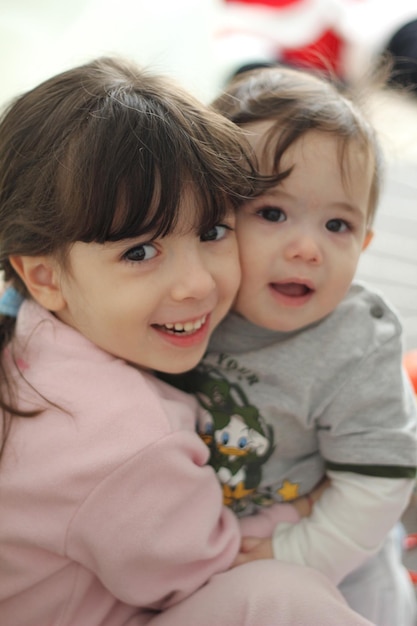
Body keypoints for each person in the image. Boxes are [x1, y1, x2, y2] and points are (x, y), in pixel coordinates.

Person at [0, 56, 379, 626]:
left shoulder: (36, 331)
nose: (199, 282)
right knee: (284, 596)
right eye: (139, 251)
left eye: (212, 231)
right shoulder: (122, 440)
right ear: (44, 276)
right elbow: (207, 569)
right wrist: (300, 507)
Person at [165, 65, 417, 625]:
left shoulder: (356, 344)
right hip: (210, 550)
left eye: (338, 226)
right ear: (211, 218)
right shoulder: (190, 303)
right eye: (272, 213)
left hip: (339, 567)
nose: (308, 248)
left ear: (366, 243)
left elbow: (379, 483)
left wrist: (298, 556)